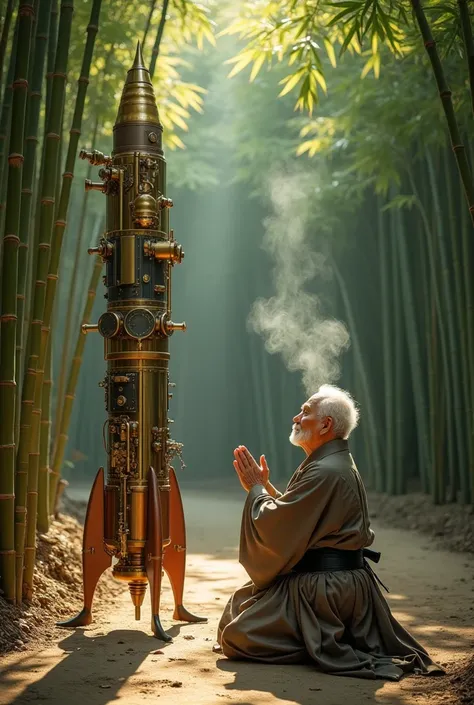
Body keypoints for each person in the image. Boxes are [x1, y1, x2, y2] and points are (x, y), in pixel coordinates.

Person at [215, 384, 443, 680]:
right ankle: (321, 638)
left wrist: (256, 489)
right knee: (239, 604)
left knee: (237, 636)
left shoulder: (326, 469)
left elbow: (281, 524)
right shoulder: (330, 462)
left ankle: (318, 644)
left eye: (305, 412)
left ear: (326, 424)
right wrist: (266, 489)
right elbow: (302, 515)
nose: (296, 418)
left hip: (325, 589)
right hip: (338, 581)